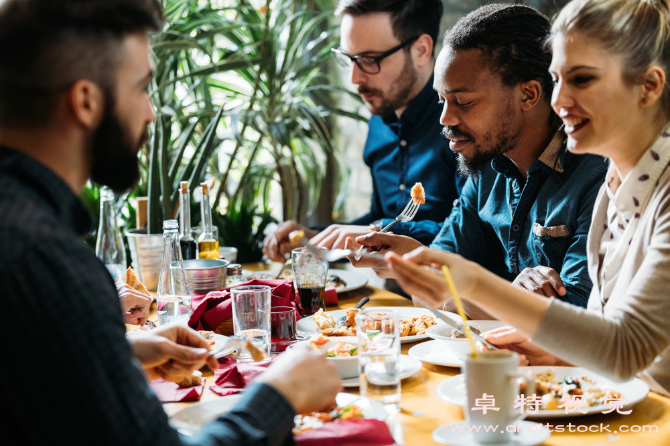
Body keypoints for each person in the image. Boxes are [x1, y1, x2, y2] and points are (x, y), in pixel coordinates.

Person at [0, 1, 340, 445]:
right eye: (141, 88)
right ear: (85, 100)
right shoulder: (48, 262)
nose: (151, 113)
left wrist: (116, 352)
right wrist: (279, 394)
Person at [386, 0, 670, 398]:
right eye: (558, 79)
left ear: (650, 87)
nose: (559, 100)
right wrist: (556, 354)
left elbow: (624, 350)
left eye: (582, 79)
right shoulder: (614, 182)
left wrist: (474, 284)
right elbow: (607, 339)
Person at [349, 3, 608, 317]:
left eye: (463, 101)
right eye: (442, 99)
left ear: (528, 94)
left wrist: (451, 282)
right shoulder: (486, 169)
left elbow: (578, 322)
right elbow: (429, 293)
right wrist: (417, 261)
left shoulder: (599, 176)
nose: (445, 119)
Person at [263, 0, 464, 261]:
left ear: (421, 50)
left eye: (369, 60)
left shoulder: (462, 124)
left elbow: (470, 232)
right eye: (349, 59)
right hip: (395, 297)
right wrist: (313, 235)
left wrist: (378, 231)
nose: (354, 79)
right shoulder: (379, 120)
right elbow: (380, 217)